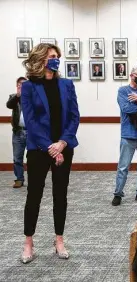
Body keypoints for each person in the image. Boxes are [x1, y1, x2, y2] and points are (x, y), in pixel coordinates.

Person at [20, 43, 80, 263]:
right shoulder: (28, 87)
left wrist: (62, 143)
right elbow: (31, 121)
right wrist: (51, 148)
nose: (56, 59)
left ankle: (59, 239)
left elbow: (75, 116)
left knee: (60, 195)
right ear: (40, 60)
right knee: (34, 195)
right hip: (39, 149)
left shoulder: (66, 84)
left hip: (64, 148)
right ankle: (28, 242)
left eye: (57, 56)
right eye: (52, 56)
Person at [112, 66, 137, 206]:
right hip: (128, 134)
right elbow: (126, 108)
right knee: (123, 166)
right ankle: (118, 193)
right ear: (131, 75)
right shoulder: (123, 91)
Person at [6, 76, 28, 188]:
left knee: (33, 157)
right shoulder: (13, 97)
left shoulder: (32, 97)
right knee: (17, 158)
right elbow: (9, 105)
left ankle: (34, 179)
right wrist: (18, 95)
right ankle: (19, 179)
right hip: (18, 132)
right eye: (20, 84)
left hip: (31, 132)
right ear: (17, 86)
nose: (22, 86)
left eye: (24, 84)